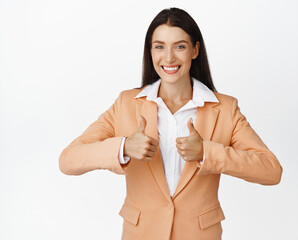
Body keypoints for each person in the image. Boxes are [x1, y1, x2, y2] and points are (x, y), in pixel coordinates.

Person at [59, 7, 283, 240]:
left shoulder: (225, 109)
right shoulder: (126, 104)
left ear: (195, 50)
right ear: (150, 51)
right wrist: (124, 147)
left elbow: (271, 171)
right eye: (159, 46)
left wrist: (207, 152)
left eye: (179, 46)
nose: (168, 58)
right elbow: (68, 160)